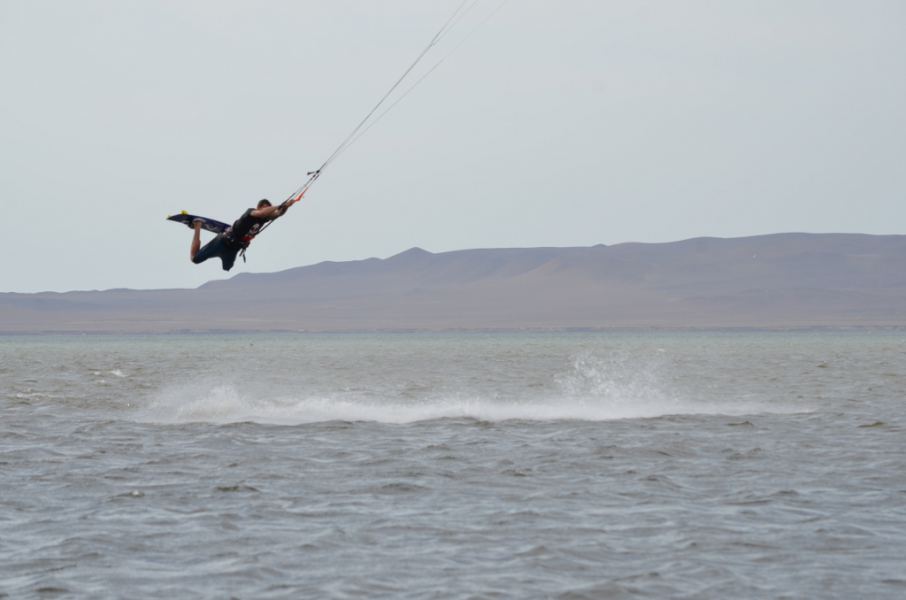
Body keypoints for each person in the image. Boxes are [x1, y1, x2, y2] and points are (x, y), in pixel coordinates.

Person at [190, 198, 296, 271]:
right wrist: (279, 205)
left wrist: (286, 206)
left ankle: (224, 258)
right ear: (259, 207)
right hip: (222, 242)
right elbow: (262, 212)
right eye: (266, 208)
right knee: (195, 259)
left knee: (227, 268)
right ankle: (197, 225)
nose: (268, 211)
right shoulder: (251, 212)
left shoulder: (265, 219)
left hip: (233, 249)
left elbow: (278, 213)